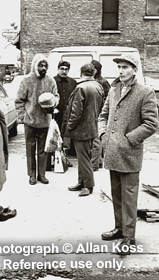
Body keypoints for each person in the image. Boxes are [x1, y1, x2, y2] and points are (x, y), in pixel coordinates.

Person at [98, 53, 158, 255]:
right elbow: (103, 115)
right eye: (119, 67)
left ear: (135, 69)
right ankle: (119, 228)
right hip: (112, 152)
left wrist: (129, 139)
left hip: (130, 153)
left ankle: (129, 237)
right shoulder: (114, 89)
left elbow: (151, 124)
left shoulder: (145, 92)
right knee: (116, 195)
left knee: (129, 197)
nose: (121, 71)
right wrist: (103, 133)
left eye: (125, 67)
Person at [15, 53, 59, 185]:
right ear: (35, 65)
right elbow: (19, 100)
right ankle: (32, 175)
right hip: (30, 121)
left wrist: (53, 103)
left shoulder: (51, 81)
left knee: (43, 150)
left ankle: (42, 174)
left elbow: (56, 96)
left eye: (45, 65)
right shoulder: (26, 80)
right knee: (30, 149)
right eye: (40, 65)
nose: (43, 67)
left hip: (45, 121)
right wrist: (22, 116)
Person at [61, 63, 104, 197]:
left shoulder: (81, 87)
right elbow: (101, 106)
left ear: (81, 72)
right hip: (92, 126)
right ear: (93, 73)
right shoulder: (98, 86)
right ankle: (81, 182)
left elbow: (76, 112)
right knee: (83, 157)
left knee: (84, 158)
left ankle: (88, 185)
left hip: (81, 129)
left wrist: (69, 127)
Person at [54, 61, 77, 166]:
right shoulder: (53, 81)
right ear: (58, 69)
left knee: (66, 137)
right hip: (56, 114)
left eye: (66, 69)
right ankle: (55, 159)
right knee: (55, 136)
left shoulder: (72, 82)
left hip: (68, 115)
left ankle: (65, 159)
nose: (64, 71)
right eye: (62, 68)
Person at [91, 60, 111, 171]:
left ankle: (94, 164)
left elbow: (108, 99)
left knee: (96, 139)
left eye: (95, 69)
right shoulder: (94, 80)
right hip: (93, 112)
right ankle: (97, 162)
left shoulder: (103, 82)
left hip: (99, 113)